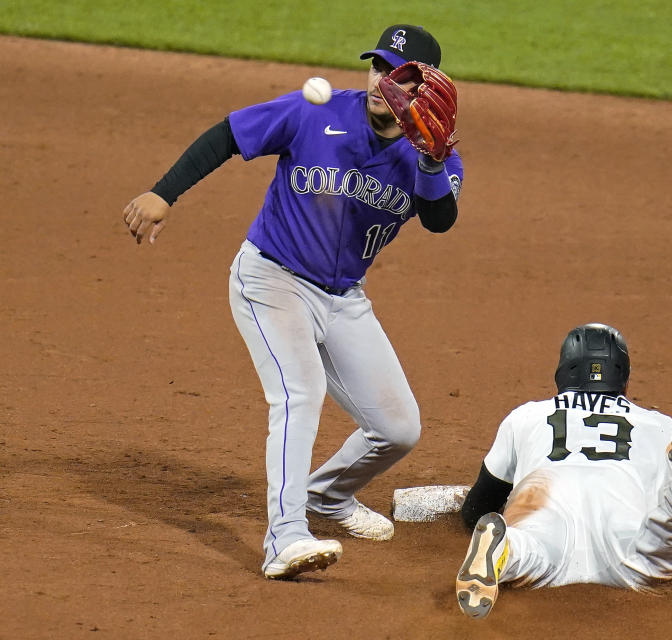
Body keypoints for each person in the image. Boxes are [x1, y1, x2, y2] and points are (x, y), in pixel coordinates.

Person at [121, 24, 464, 580]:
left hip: (344, 298)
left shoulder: (437, 157)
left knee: (398, 428)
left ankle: (326, 498)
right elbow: (229, 134)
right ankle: (285, 537)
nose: (383, 82)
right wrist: (164, 193)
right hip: (271, 281)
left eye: (400, 75)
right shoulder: (314, 111)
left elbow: (439, 220)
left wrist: (430, 159)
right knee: (298, 394)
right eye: (378, 66)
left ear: (427, 87)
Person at [455, 323, 672, 619]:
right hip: (624, 529)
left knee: (531, 553)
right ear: (623, 377)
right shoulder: (660, 425)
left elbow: (477, 509)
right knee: (659, 564)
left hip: (549, 514)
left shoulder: (525, 417)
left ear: (564, 371)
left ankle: (506, 548)